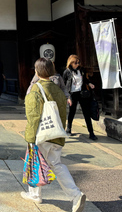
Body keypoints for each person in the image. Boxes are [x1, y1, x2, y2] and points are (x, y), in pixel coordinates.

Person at [21, 58, 86, 212]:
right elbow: (63, 113)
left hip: (40, 134)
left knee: (34, 162)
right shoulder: (58, 89)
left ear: (37, 71)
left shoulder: (36, 89)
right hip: (56, 133)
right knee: (57, 164)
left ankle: (35, 194)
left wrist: (30, 138)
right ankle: (76, 195)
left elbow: (33, 116)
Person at [62, 55, 97, 140]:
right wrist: (67, 95)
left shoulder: (81, 70)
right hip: (72, 94)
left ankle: (91, 132)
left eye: (78, 63)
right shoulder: (67, 72)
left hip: (82, 93)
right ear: (70, 63)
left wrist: (89, 83)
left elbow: (85, 79)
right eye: (75, 63)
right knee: (72, 111)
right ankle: (68, 129)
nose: (77, 64)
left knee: (86, 113)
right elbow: (63, 84)